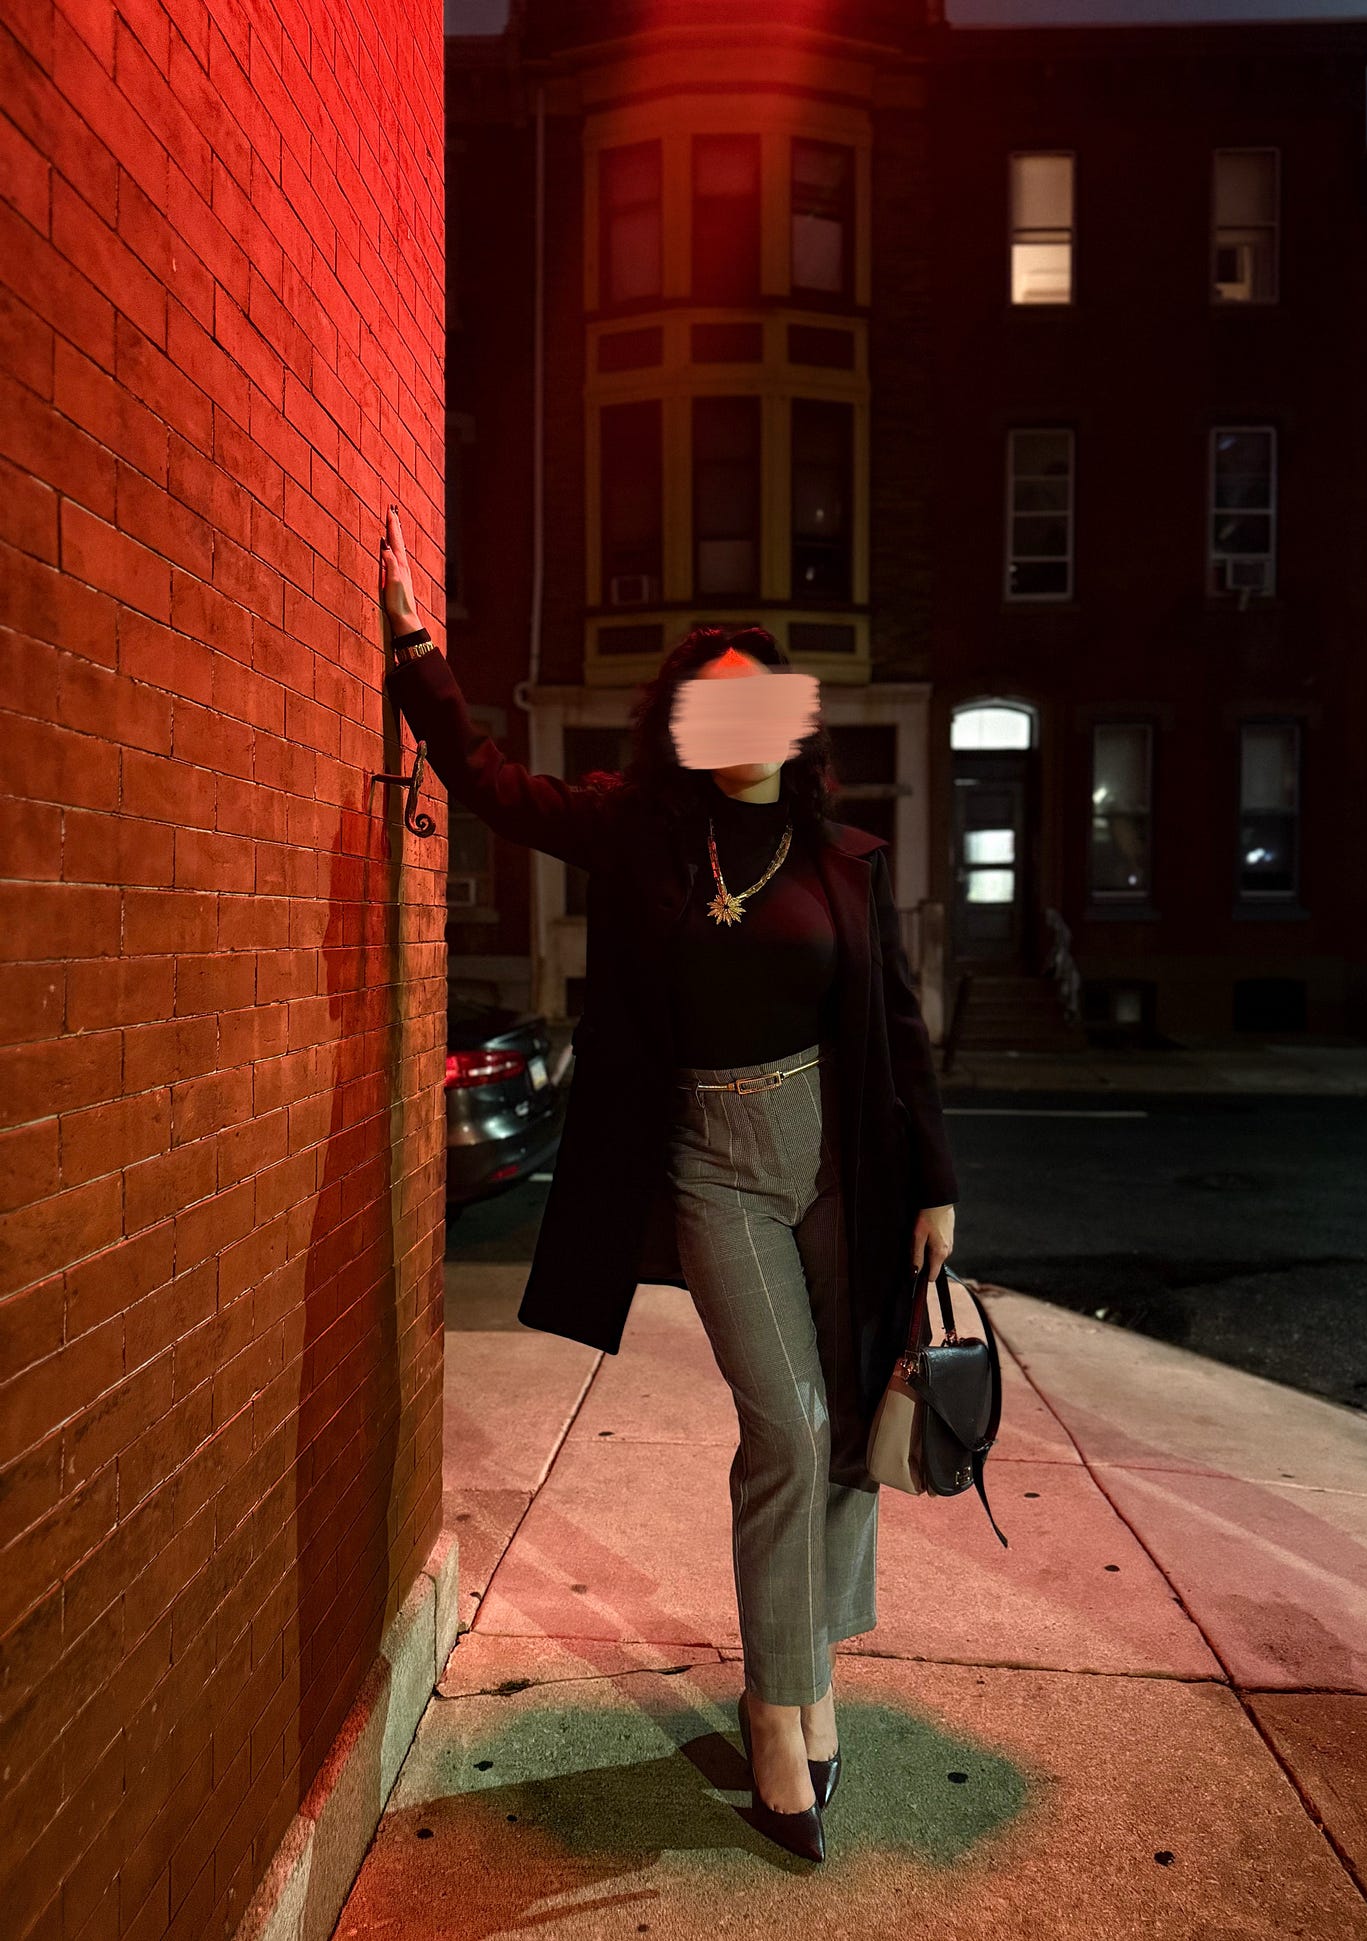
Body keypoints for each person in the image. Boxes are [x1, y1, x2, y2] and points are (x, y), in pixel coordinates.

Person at [377, 508, 958, 1862]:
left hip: (841, 1164)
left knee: (855, 1424)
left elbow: (903, 1028)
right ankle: (775, 1712)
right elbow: (485, 778)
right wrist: (415, 646)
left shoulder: (843, 862)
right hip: (714, 1164)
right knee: (793, 1426)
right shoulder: (639, 834)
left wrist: (934, 1175)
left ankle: (811, 1672)